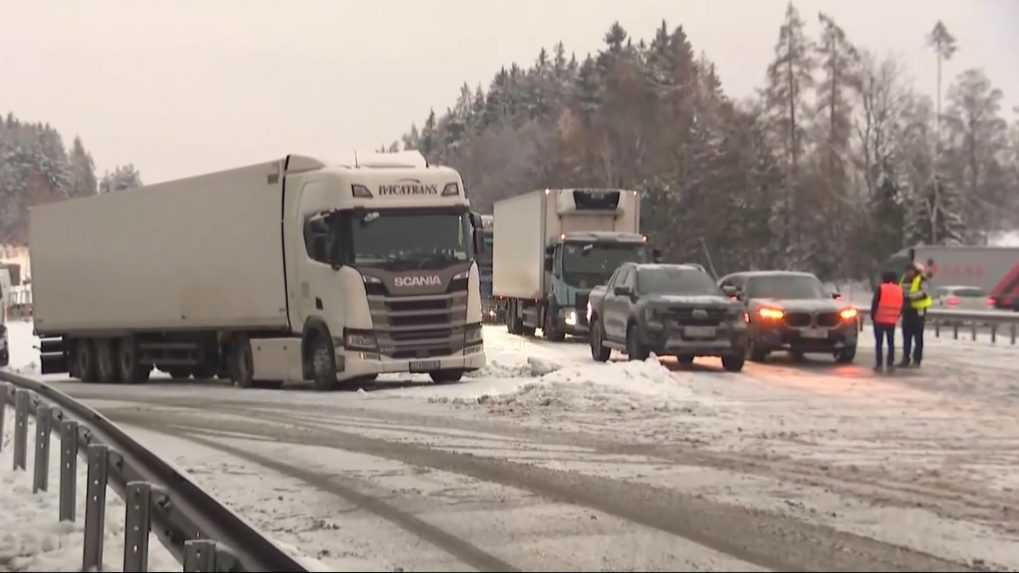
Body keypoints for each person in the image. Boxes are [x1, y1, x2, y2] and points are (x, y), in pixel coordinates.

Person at [899, 262, 933, 367]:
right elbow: (900, 291)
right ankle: (905, 359)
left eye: (910, 271)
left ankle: (917, 361)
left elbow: (924, 293)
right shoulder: (903, 280)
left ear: (915, 271)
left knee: (918, 338)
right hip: (907, 311)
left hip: (918, 312)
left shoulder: (921, 279)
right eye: (907, 271)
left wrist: (909, 297)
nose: (908, 273)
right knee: (906, 337)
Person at [871, 271, 904, 372]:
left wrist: (873, 316)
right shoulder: (899, 289)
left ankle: (879, 364)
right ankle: (890, 363)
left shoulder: (881, 288)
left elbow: (875, 303)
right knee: (891, 342)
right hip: (892, 320)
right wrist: (897, 315)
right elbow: (902, 304)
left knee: (879, 343)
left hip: (879, 319)